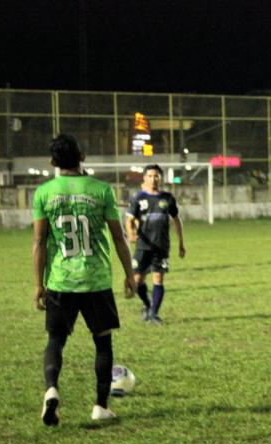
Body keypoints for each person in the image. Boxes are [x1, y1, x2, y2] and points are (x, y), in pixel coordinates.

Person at [32, 134, 136, 425]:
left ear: (53, 162)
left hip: (60, 281)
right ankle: (101, 406)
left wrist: (39, 284)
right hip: (96, 281)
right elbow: (118, 236)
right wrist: (130, 274)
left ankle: (51, 389)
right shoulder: (101, 190)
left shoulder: (44, 193)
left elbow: (39, 242)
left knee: (56, 340)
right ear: (84, 156)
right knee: (103, 343)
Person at [126, 164, 186, 324]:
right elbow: (129, 220)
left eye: (156, 176)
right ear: (144, 178)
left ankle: (154, 314)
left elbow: (176, 220)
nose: (153, 179)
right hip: (143, 246)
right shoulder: (138, 198)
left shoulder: (167, 198)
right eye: (150, 176)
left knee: (158, 278)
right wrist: (131, 233)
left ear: (161, 178)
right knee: (137, 281)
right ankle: (147, 305)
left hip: (161, 246)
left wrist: (181, 242)